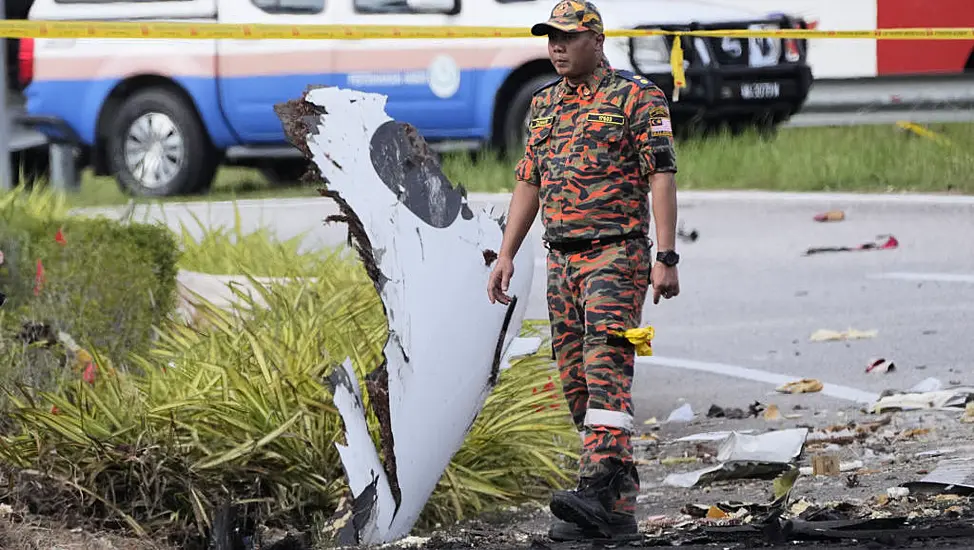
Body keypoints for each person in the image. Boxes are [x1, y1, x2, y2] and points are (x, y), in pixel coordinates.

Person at [485, 0, 681, 542]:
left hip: (617, 254)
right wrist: (506, 252)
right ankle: (616, 511)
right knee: (574, 379)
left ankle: (595, 483)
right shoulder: (544, 104)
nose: (557, 47)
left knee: (606, 368)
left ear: (596, 40)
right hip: (562, 258)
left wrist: (666, 257)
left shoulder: (637, 97)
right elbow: (529, 180)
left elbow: (660, 175)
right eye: (551, 37)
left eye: (568, 37)